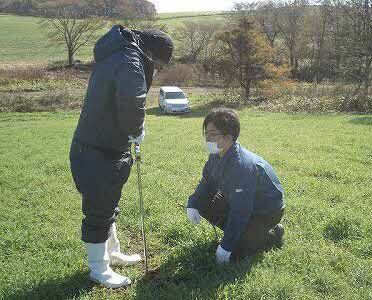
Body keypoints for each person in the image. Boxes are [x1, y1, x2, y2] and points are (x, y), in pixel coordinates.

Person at [69, 25, 173, 288]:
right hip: (96, 150)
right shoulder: (131, 63)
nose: (157, 71)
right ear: (151, 54)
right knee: (98, 211)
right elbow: (131, 103)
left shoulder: (121, 55)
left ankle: (112, 253)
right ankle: (99, 269)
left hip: (102, 146)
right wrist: (137, 131)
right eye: (159, 65)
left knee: (108, 204)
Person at [187, 108, 285, 264]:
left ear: (228, 137)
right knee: (203, 203)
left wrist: (226, 247)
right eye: (206, 133)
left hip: (266, 210)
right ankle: (240, 235)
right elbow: (207, 182)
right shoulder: (216, 154)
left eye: (213, 134)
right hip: (239, 201)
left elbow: (241, 211)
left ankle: (271, 234)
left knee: (237, 254)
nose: (208, 138)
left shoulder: (241, 167)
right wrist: (192, 203)